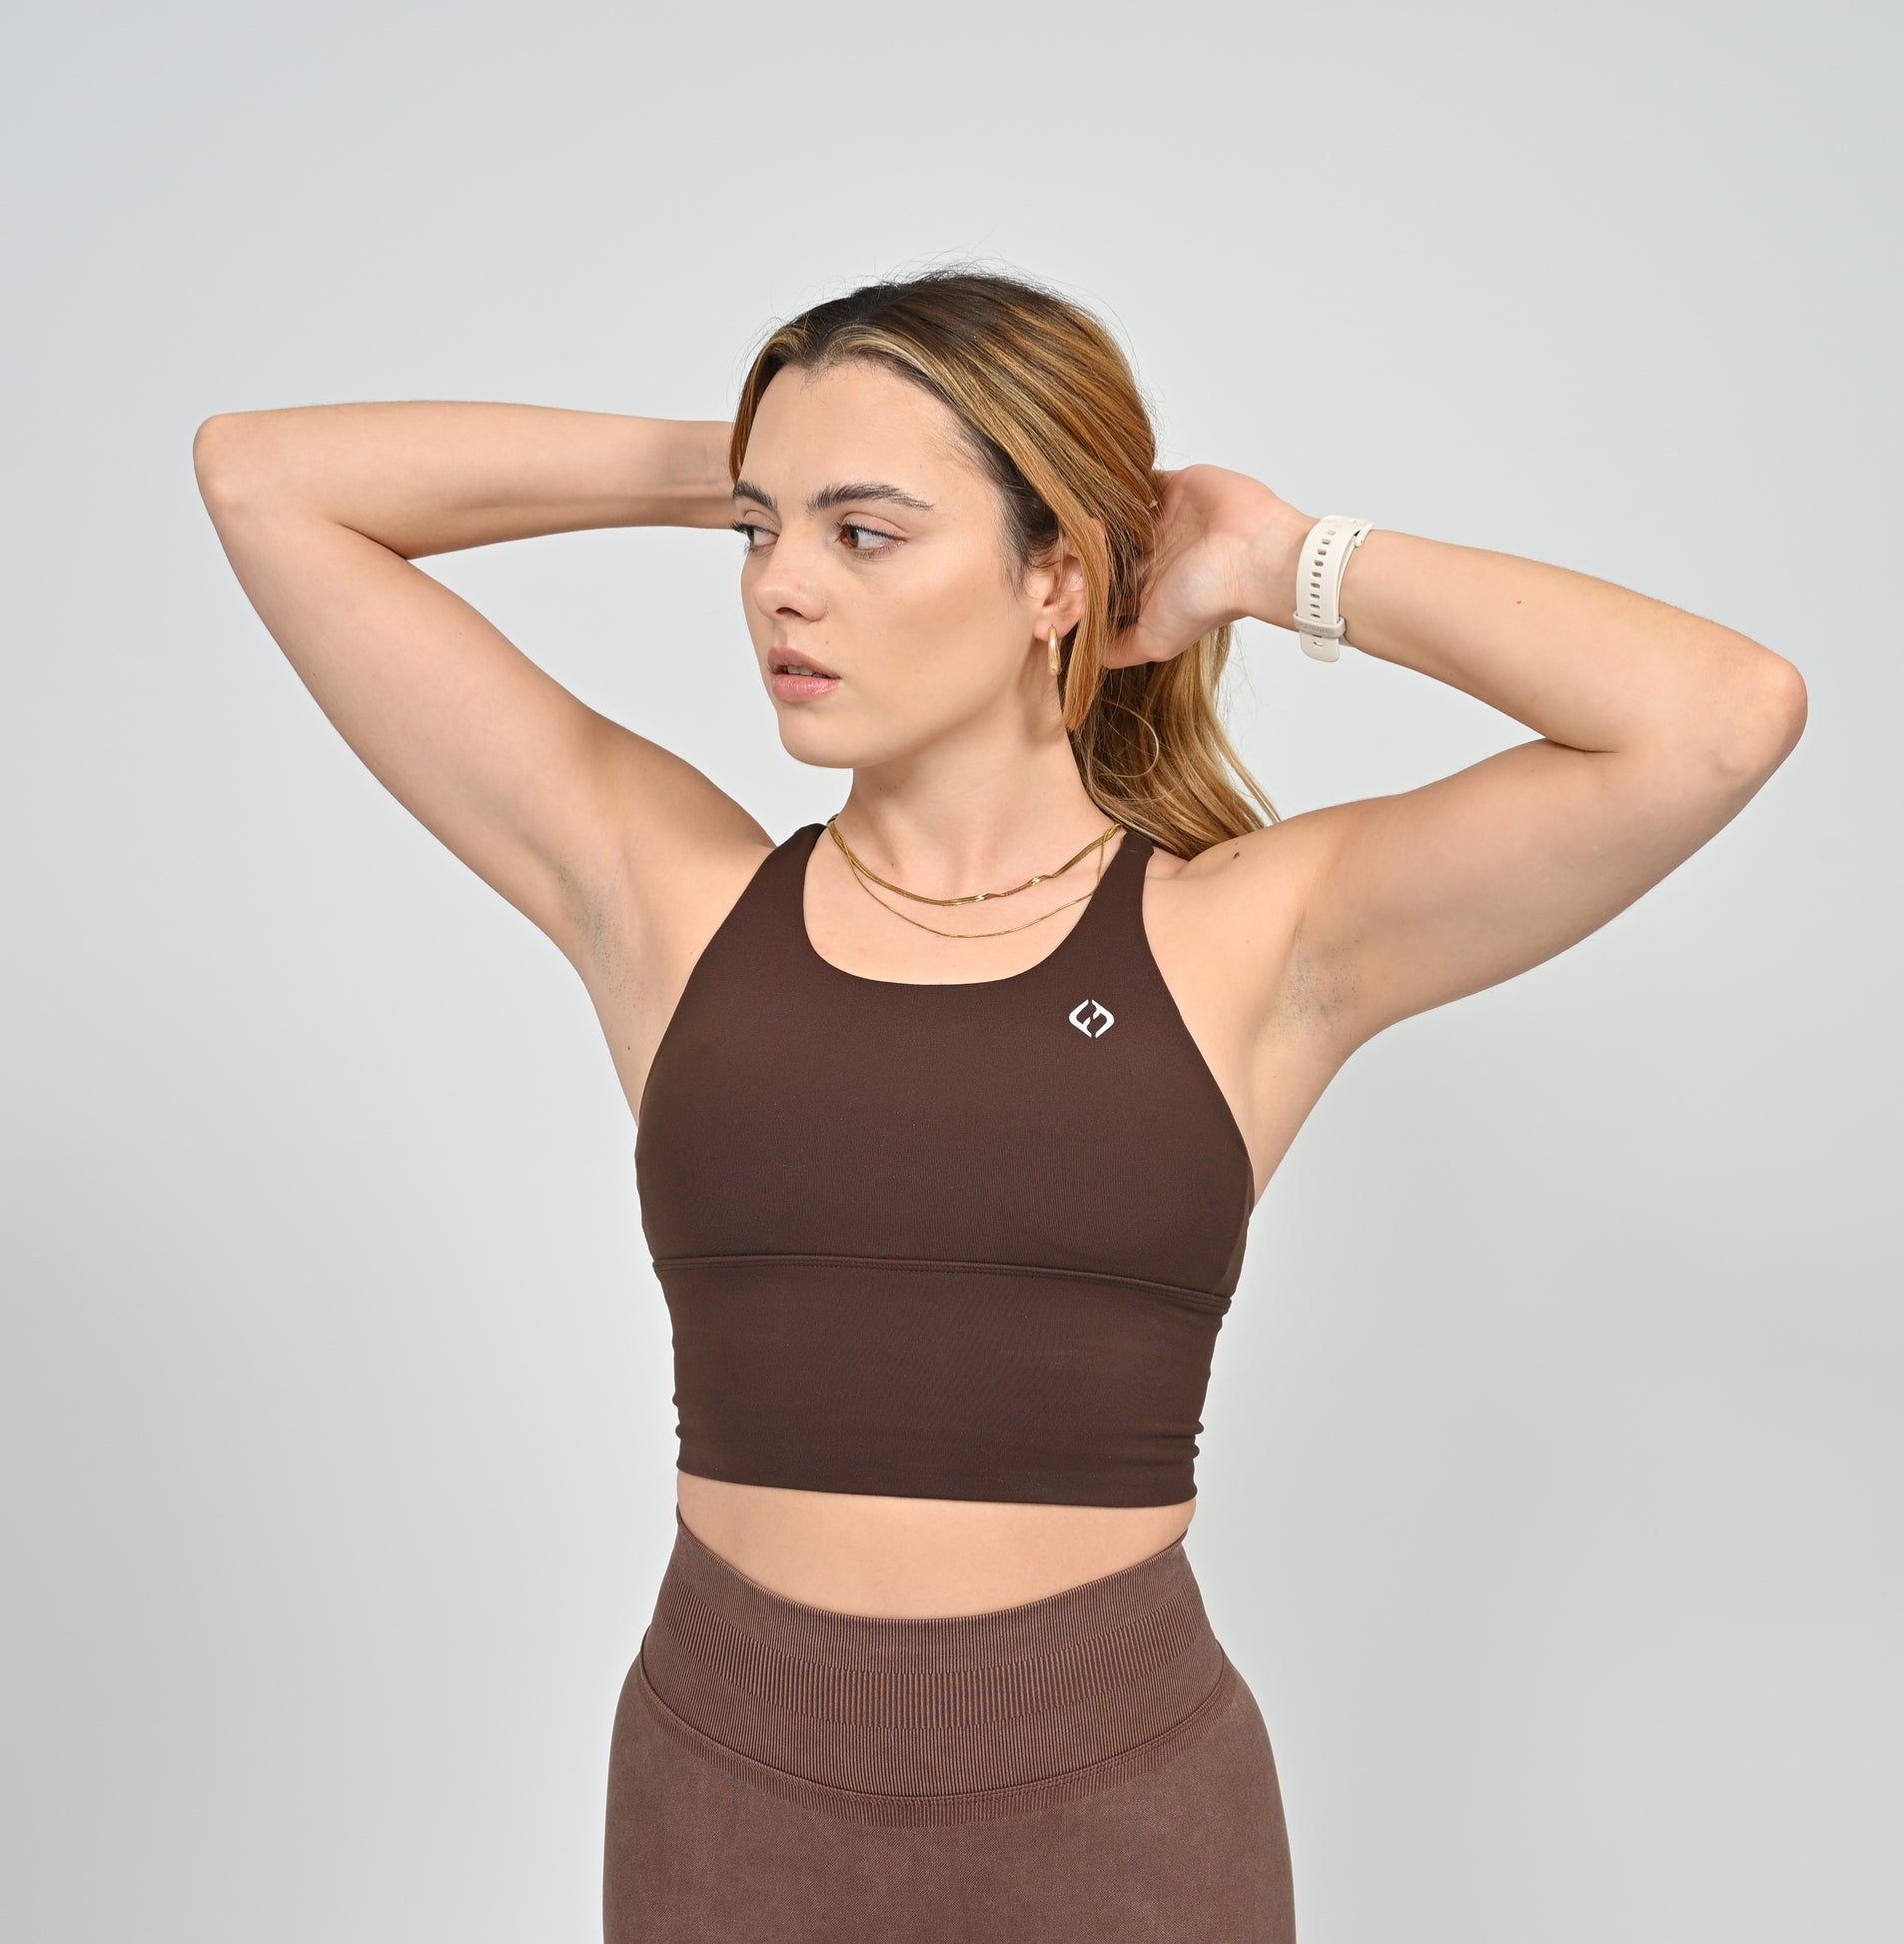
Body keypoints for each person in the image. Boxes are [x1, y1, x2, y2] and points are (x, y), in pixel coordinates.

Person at [192, 266, 1805, 1942]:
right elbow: (265, 479)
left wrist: (1273, 561)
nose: (778, 588)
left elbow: (1716, 717)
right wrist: (739, 464)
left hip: (1119, 1806)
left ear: (1054, 576)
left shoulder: (1246, 938)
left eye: (863, 534)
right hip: (724, 1787)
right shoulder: (673, 902)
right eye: (758, 536)